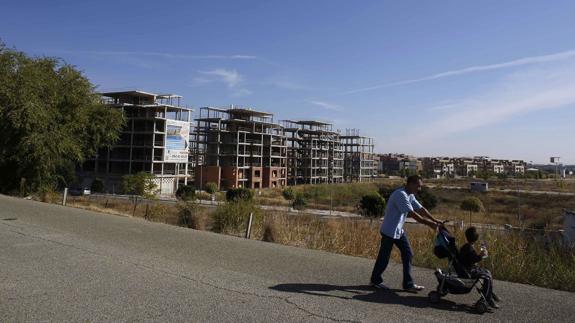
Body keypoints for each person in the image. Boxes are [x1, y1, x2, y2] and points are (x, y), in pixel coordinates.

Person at [370, 175, 443, 292]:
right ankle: (375, 280)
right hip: (389, 231)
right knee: (384, 257)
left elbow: (421, 209)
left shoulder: (410, 195)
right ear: (411, 184)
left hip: (398, 231)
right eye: (418, 186)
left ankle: (408, 284)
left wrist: (434, 220)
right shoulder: (401, 195)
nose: (419, 189)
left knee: (408, 253)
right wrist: (430, 224)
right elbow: (414, 215)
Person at [459, 226, 500, 308]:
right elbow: (473, 260)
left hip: (468, 268)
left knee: (487, 272)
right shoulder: (469, 248)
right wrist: (481, 255)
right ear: (476, 238)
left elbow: (470, 259)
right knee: (487, 277)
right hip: (469, 271)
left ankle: (489, 294)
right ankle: (488, 299)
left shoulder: (466, 246)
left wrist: (479, 256)